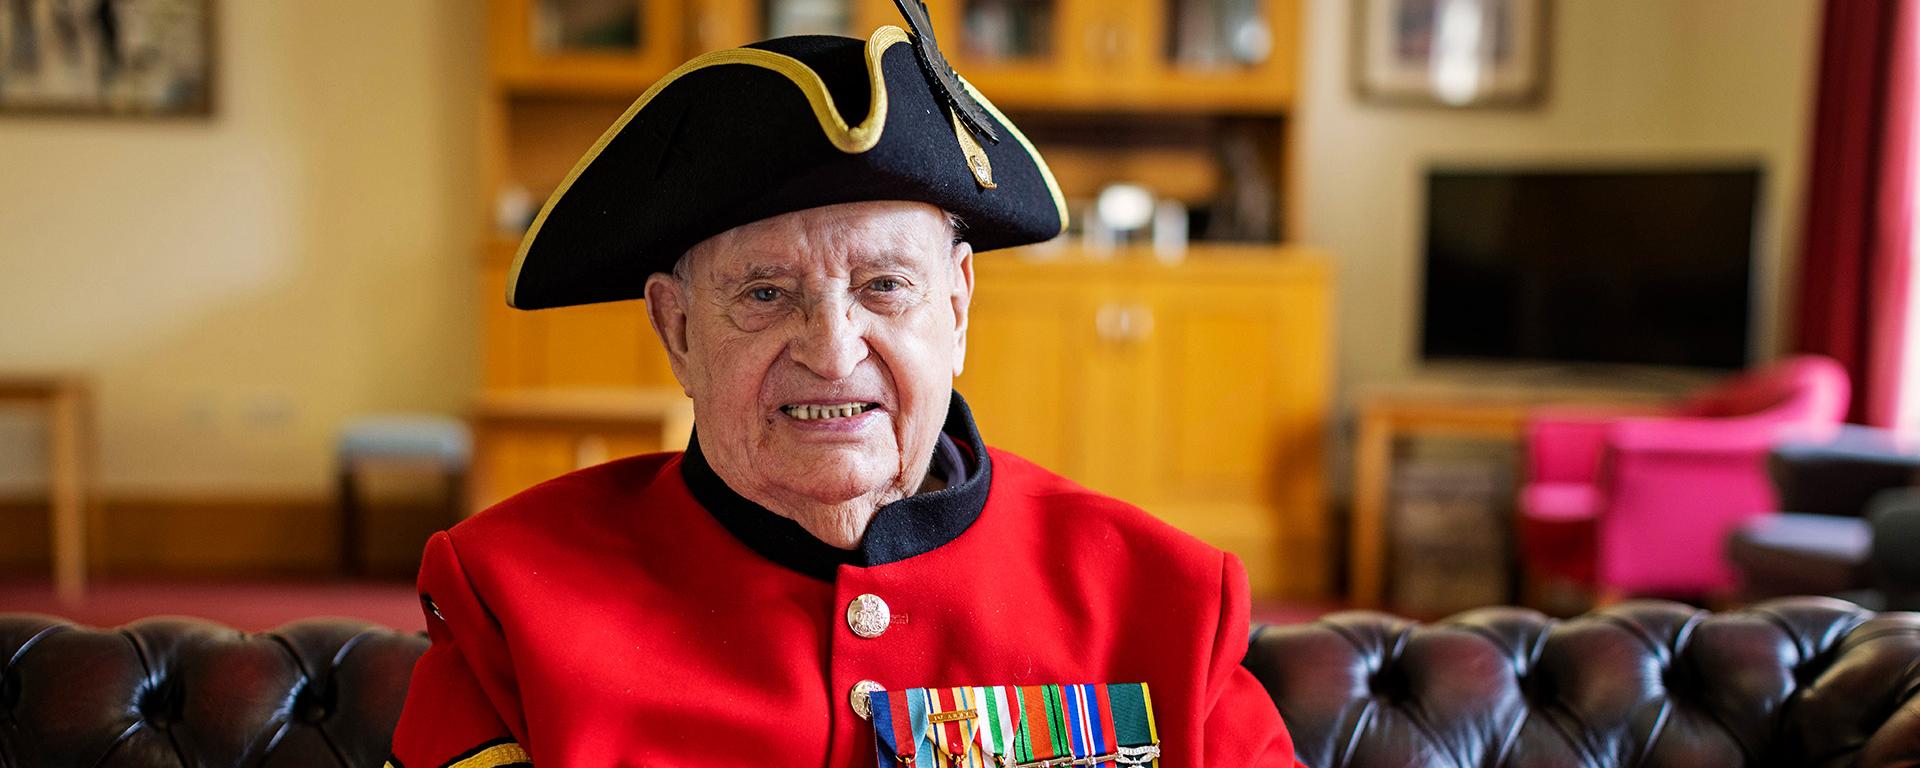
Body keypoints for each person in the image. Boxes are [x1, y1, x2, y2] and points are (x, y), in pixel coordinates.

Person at [387, 4, 1301, 766]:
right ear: (676, 328)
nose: (831, 352)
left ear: (958, 306)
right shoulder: (511, 607)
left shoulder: (1165, 605)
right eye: (765, 293)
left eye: (884, 287)